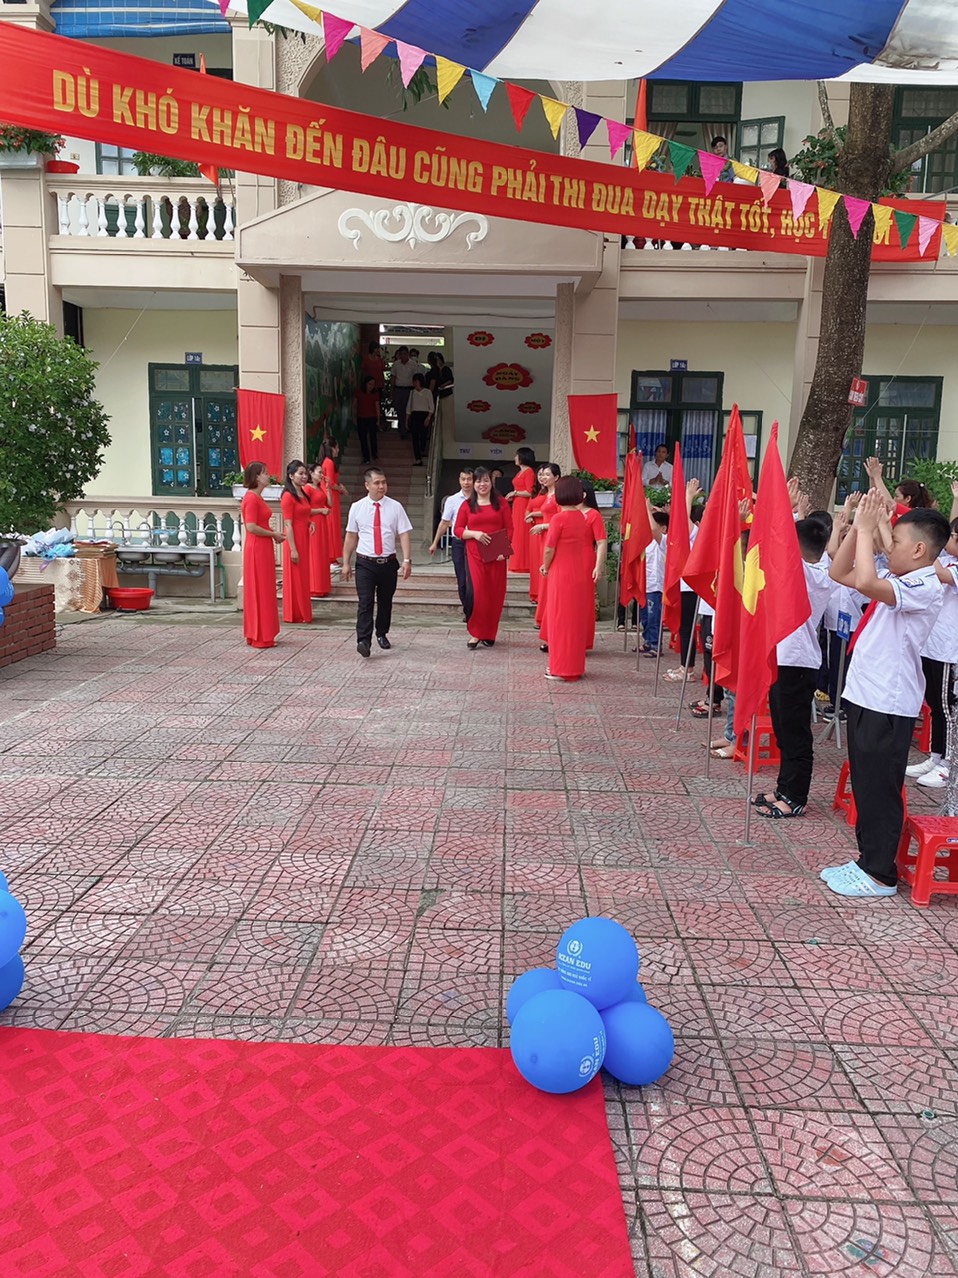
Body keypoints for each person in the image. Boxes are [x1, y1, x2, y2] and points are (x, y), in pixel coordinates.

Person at [823, 493, 949, 897]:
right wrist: (854, 527)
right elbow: (840, 573)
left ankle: (881, 873)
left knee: (880, 788)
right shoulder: (899, 579)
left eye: (895, 541)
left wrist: (865, 529)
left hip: (889, 700)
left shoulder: (925, 584)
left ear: (919, 549)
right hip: (867, 693)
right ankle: (867, 859)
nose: (887, 547)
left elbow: (863, 581)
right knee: (866, 783)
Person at [751, 517, 832, 819]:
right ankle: (784, 788)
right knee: (783, 730)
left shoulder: (809, 573)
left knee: (795, 733)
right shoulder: (815, 569)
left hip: (797, 662)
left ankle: (796, 796)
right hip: (783, 659)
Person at [341, 466, 413, 658]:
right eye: (377, 483)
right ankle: (363, 640)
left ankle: (381, 633)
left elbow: (404, 534)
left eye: (384, 482)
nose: (381, 486)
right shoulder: (357, 507)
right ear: (367, 485)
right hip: (365, 562)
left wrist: (407, 560)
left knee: (385, 601)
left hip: (388, 562)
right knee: (365, 602)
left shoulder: (395, 507)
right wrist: (346, 562)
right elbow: (351, 536)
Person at [907, 517, 958, 789]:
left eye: (951, 537)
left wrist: (931, 541)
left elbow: (940, 574)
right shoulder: (948, 560)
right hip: (932, 646)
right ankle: (936, 757)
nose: (947, 541)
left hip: (950, 651)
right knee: (935, 706)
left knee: (948, 709)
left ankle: (949, 764)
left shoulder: (950, 567)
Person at [540, 477, 597, 682]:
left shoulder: (559, 519)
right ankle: (574, 666)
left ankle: (559, 667)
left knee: (559, 620)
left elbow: (549, 548)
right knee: (574, 621)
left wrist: (545, 566)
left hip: (561, 573)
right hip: (578, 572)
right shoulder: (582, 517)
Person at [454, 467, 513, 650]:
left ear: (491, 482)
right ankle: (476, 633)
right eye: (478, 481)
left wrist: (504, 551)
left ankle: (489, 633)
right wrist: (475, 534)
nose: (482, 484)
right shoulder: (467, 505)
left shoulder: (501, 503)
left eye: (486, 480)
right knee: (478, 594)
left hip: (497, 556)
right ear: (473, 484)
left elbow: (510, 528)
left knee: (495, 594)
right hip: (475, 555)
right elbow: (458, 530)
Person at [240, 462, 284, 647]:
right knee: (260, 589)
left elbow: (259, 524)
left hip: (262, 546)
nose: (268, 476)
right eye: (265, 473)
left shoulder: (257, 497)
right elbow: (251, 527)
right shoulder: (251, 498)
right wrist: (272, 534)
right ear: (257, 477)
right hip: (257, 547)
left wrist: (273, 533)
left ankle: (260, 632)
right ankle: (260, 635)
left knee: (265, 588)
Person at [429, 468, 475, 621]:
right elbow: (444, 523)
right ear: (459, 480)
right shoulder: (453, 500)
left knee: (475, 579)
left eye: (469, 479)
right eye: (463, 479)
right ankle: (468, 610)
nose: (466, 482)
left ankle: (475, 610)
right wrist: (435, 543)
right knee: (462, 579)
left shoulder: (481, 498)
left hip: (476, 543)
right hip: (459, 543)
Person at [280, 459, 313, 624]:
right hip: (294, 539)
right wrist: (293, 549)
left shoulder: (303, 494)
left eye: (305, 473)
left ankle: (303, 611)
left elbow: (302, 515)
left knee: (303, 575)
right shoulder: (288, 496)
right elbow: (288, 524)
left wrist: (309, 522)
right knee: (296, 576)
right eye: (301, 473)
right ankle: (295, 613)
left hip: (304, 537)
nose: (304, 476)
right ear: (291, 476)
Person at [530, 463, 561, 626]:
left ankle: (547, 616)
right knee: (543, 575)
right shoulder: (547, 494)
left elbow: (561, 521)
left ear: (556, 477)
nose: (543, 477)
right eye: (542, 474)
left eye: (548, 475)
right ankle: (542, 616)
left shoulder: (559, 496)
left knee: (548, 574)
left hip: (552, 536)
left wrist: (543, 526)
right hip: (544, 537)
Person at [639, 511, 668, 656]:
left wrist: (647, 509)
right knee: (644, 617)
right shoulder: (647, 542)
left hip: (656, 586)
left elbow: (653, 529)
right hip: (645, 584)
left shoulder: (663, 541)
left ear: (663, 528)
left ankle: (655, 644)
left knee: (653, 617)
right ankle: (648, 641)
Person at [506, 447, 537, 574]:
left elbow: (530, 492)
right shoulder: (520, 472)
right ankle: (517, 562)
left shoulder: (529, 472)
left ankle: (523, 563)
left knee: (522, 532)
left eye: (517, 456)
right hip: (517, 503)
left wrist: (515, 493)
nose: (515, 458)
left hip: (524, 504)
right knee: (517, 532)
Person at [305, 462, 333, 599]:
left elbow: (330, 504)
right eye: (319, 472)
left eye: (322, 472)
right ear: (311, 473)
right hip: (313, 522)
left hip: (322, 522)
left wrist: (328, 488)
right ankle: (313, 586)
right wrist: (321, 510)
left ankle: (322, 586)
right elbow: (304, 509)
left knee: (322, 553)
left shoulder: (319, 488)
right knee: (314, 553)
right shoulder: (307, 488)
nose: (322, 475)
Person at [319, 437, 348, 565]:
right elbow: (330, 483)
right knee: (331, 525)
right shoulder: (329, 462)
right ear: (332, 448)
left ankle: (331, 556)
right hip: (330, 496)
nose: (338, 450)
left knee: (332, 525)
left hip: (330, 495)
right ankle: (330, 556)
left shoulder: (326, 462)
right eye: (337, 447)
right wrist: (341, 489)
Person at [408, 373, 434, 466]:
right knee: (415, 437)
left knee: (423, 435)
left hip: (424, 415)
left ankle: (422, 450)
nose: (415, 383)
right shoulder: (412, 392)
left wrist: (428, 417)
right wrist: (407, 419)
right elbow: (409, 407)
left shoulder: (427, 392)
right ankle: (418, 458)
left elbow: (431, 406)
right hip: (415, 415)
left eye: (416, 381)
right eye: (414, 381)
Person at [355, 375, 380, 466]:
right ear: (365, 384)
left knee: (373, 437)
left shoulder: (375, 393)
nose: (371, 386)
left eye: (373, 384)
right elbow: (354, 405)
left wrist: (378, 419)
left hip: (372, 417)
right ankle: (366, 457)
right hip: (361, 417)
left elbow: (377, 407)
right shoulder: (359, 392)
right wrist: (353, 417)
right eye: (370, 384)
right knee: (363, 438)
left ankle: (374, 454)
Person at [390, 346, 415, 439]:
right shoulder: (396, 364)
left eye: (405, 354)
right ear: (399, 355)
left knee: (408, 411)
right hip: (398, 390)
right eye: (401, 354)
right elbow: (393, 378)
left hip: (409, 390)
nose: (403, 356)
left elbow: (415, 378)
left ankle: (406, 429)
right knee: (399, 410)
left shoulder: (413, 364)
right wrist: (392, 392)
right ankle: (403, 429)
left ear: (408, 354)